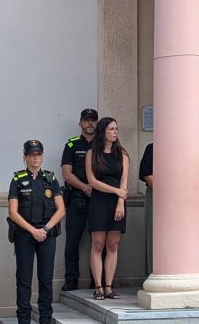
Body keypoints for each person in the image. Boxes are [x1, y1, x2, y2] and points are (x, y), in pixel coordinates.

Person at [8, 140, 66, 324]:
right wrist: (33, 230)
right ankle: (24, 320)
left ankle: (45, 319)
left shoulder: (51, 178)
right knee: (24, 280)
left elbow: (61, 209)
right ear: (25, 157)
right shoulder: (17, 180)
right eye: (32, 154)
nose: (36, 158)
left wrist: (46, 229)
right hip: (25, 235)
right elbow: (13, 212)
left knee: (46, 279)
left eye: (39, 154)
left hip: (46, 235)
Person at [86, 117, 130, 300]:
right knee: (97, 244)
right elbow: (92, 181)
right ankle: (98, 287)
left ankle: (109, 286)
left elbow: (124, 180)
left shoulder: (122, 154)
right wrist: (116, 191)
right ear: (103, 131)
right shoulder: (92, 153)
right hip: (99, 200)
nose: (115, 132)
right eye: (111, 129)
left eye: (116, 129)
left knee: (113, 244)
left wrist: (120, 200)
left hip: (117, 203)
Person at [61, 108, 98, 291]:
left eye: (93, 120)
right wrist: (85, 187)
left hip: (98, 200)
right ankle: (71, 281)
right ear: (80, 123)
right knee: (72, 242)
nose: (90, 123)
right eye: (86, 120)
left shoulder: (103, 144)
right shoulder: (72, 145)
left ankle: (97, 281)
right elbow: (67, 174)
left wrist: (95, 188)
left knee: (98, 243)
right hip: (76, 198)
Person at [139, 143, 154, 277]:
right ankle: (152, 273)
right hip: (156, 194)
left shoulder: (184, 147)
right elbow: (147, 174)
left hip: (180, 198)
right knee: (153, 234)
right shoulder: (151, 148)